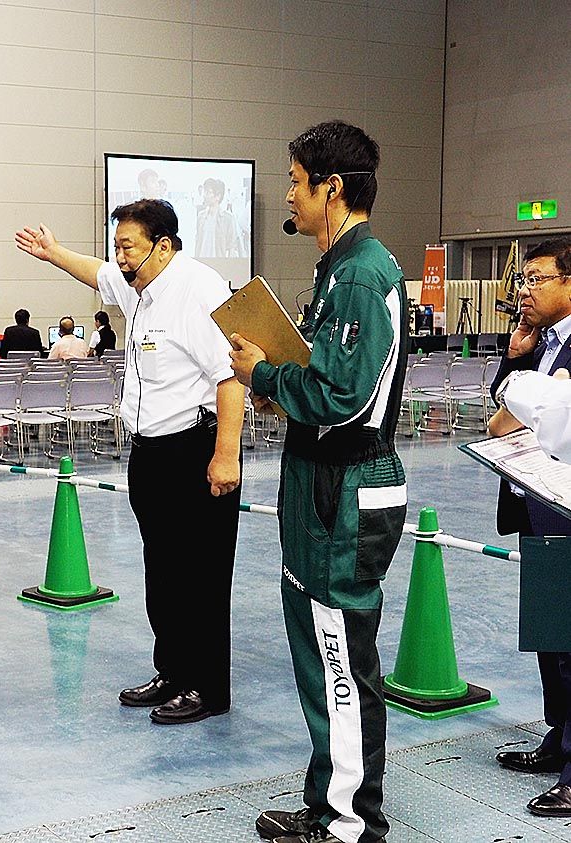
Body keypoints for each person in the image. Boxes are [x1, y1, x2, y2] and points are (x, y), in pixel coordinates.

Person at [229, 121, 408, 843]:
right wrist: (281, 387)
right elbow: (329, 379)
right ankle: (329, 799)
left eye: (296, 182)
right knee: (320, 652)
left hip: (346, 487)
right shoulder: (338, 269)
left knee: (339, 658)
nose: (289, 197)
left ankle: (351, 822)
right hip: (319, 484)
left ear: (332, 188)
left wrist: (265, 375)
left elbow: (344, 396)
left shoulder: (361, 274)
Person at [15, 199, 244, 726]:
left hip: (195, 451)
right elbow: (95, 272)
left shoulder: (198, 290)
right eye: (116, 246)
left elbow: (230, 376)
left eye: (128, 247)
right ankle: (173, 671)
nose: (119, 257)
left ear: (163, 246)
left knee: (201, 577)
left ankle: (207, 687)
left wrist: (225, 455)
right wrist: (53, 253)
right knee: (162, 572)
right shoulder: (136, 284)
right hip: (150, 454)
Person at [485, 237, 571, 819]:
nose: (524, 290)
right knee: (549, 636)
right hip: (534, 505)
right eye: (523, 280)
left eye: (536, 279)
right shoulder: (537, 344)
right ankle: (558, 737)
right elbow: (500, 414)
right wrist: (516, 357)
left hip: (565, 507)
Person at [195, 177, 244, 259]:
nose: (204, 195)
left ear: (218, 196)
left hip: (218, 263)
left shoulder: (228, 219)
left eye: (208, 192)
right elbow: (197, 243)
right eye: (204, 191)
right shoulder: (201, 217)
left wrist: (228, 264)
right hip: (202, 262)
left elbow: (232, 246)